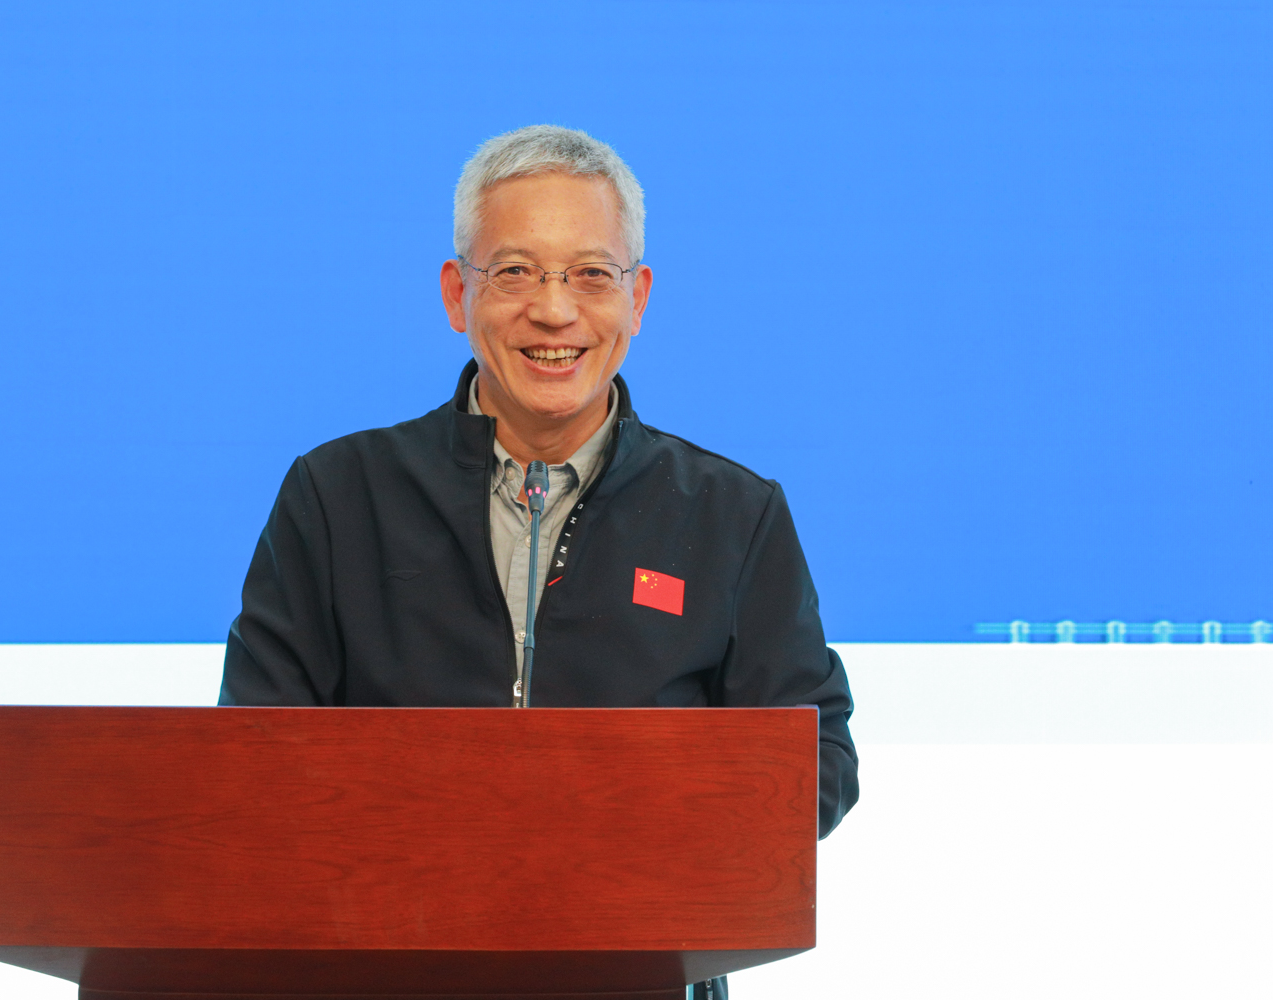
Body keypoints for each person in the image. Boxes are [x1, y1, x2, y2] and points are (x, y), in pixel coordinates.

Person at [220, 126, 858, 998]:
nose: (555, 312)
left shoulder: (732, 513)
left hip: (637, 968)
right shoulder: (336, 495)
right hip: (389, 966)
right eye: (515, 271)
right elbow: (253, 756)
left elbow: (815, 760)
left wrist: (625, 842)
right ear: (457, 294)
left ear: (637, 297)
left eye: (591, 274)